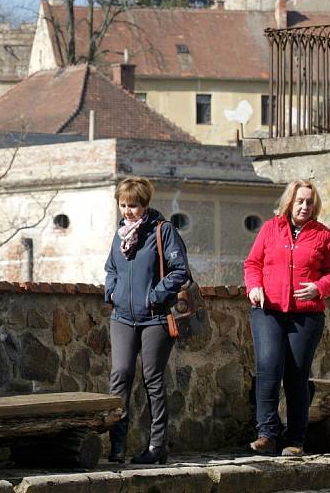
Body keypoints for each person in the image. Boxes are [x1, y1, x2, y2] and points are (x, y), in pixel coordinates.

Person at [243, 179, 330, 457]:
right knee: (268, 369)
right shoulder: (271, 228)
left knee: (296, 376)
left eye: (309, 202)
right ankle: (266, 435)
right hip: (268, 311)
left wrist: (319, 287)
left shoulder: (322, 235)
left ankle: (295, 440)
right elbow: (253, 263)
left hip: (305, 316)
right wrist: (254, 286)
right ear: (290, 202)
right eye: (300, 201)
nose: (304, 206)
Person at [104, 176, 189, 465]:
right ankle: (117, 447)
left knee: (152, 379)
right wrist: (111, 290)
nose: (128, 211)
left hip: (155, 318)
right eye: (123, 205)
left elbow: (180, 271)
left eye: (134, 206)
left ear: (146, 204)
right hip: (122, 317)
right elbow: (111, 268)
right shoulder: (119, 234)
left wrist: (155, 296)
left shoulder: (163, 231)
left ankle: (156, 447)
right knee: (120, 376)